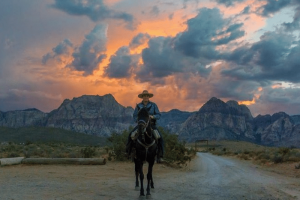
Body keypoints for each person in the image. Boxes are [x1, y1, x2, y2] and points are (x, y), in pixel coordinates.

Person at [126, 90, 164, 162]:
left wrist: (152, 117)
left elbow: (158, 115)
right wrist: (138, 120)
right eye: (144, 96)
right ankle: (128, 152)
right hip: (141, 125)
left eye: (147, 95)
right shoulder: (138, 106)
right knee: (130, 135)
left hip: (151, 125)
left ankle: (160, 155)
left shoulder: (153, 105)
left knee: (160, 138)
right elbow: (134, 115)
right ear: (142, 97)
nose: (146, 97)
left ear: (148, 97)